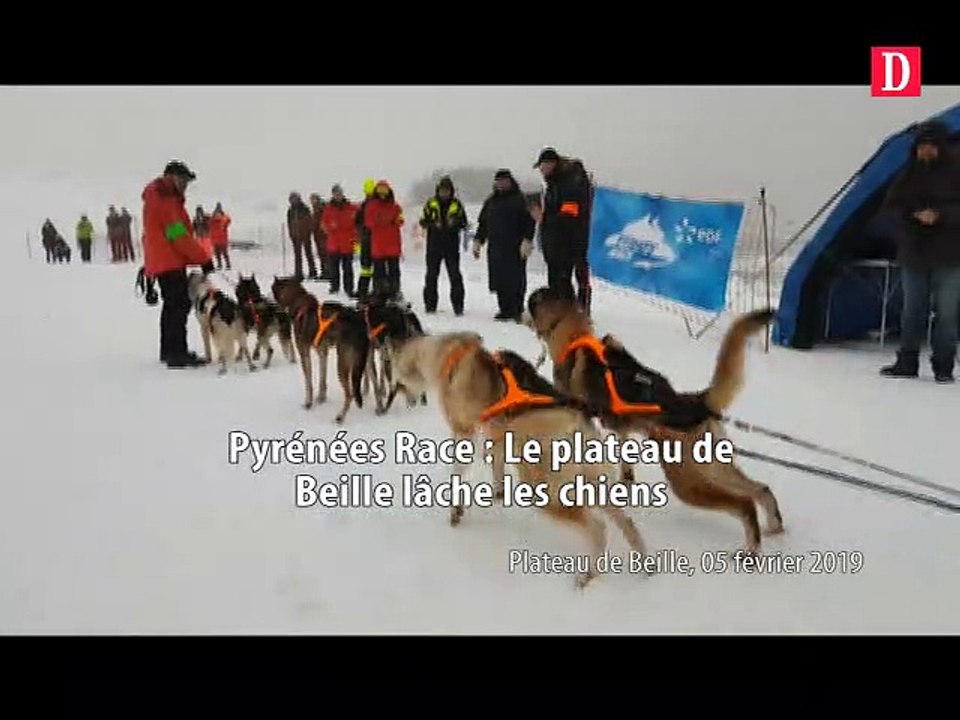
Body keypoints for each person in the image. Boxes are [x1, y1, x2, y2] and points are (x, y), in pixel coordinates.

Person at [879, 120, 960, 384]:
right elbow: (890, 208)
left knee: (947, 313)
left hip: (951, 255)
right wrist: (913, 215)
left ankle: (944, 366)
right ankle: (907, 361)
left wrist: (941, 216)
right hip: (915, 253)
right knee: (912, 310)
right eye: (921, 146)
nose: (925, 151)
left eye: (930, 146)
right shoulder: (908, 175)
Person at [142, 160, 215, 368]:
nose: (185, 185)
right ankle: (177, 353)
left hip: (163, 259)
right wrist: (203, 259)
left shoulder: (159, 196)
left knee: (172, 306)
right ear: (172, 177)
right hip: (169, 261)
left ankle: (169, 350)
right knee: (178, 305)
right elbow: (178, 235)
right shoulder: (166, 201)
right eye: (183, 180)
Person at [532, 147, 594, 315]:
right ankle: (564, 311)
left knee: (569, 276)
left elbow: (569, 214)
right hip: (556, 238)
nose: (542, 171)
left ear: (553, 164)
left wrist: (543, 218)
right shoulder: (554, 183)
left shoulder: (571, 182)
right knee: (557, 278)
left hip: (572, 237)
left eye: (544, 166)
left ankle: (577, 313)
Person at [472, 169, 536, 321]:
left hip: (515, 247)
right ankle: (504, 309)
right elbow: (483, 224)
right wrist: (478, 241)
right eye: (499, 181)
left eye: (504, 181)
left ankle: (516, 308)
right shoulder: (491, 201)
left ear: (510, 181)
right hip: (496, 247)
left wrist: (527, 240)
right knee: (499, 279)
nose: (501, 184)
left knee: (516, 279)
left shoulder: (521, 200)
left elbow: (529, 222)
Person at [419, 175, 467, 315]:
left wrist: (455, 223)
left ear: (451, 191)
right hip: (434, 245)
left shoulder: (457, 205)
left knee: (455, 276)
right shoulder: (431, 203)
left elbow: (464, 223)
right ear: (438, 190)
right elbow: (423, 221)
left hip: (451, 246)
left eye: (447, 190)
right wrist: (433, 224)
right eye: (442, 190)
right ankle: (430, 306)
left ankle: (458, 307)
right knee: (431, 276)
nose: (444, 193)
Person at [364, 179, 404, 300]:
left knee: (394, 272)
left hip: (393, 245)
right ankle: (379, 293)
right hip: (379, 246)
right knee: (379, 272)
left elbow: (401, 220)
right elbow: (368, 223)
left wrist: (389, 221)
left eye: (384, 190)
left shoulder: (395, 206)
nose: (382, 193)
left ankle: (394, 292)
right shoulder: (371, 206)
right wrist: (386, 221)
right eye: (380, 190)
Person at [321, 184, 358, 297]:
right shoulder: (328, 209)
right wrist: (330, 227)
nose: (338, 195)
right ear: (333, 194)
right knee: (334, 268)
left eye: (339, 193)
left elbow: (357, 223)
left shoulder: (352, 208)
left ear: (342, 193)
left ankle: (349, 289)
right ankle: (334, 287)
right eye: (336, 193)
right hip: (334, 244)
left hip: (347, 243)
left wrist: (356, 238)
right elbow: (323, 224)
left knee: (348, 269)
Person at [286, 192, 318, 280]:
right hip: (295, 236)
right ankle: (298, 273)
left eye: (294, 198)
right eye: (291, 199)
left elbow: (309, 221)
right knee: (297, 256)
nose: (293, 200)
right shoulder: (290, 210)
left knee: (308, 253)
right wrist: (291, 234)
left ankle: (313, 271)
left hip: (305, 235)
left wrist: (307, 232)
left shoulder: (304, 209)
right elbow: (289, 223)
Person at [354, 178, 377, 299]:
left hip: (376, 241)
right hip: (367, 241)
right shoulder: (363, 206)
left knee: (377, 268)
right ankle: (363, 291)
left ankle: (374, 291)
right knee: (366, 268)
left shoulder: (375, 206)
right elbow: (357, 222)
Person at [308, 193, 330, 281]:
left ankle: (328, 272)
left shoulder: (323, 209)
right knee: (321, 254)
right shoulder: (314, 210)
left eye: (314, 200)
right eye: (311, 200)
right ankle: (324, 271)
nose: (313, 202)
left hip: (324, 235)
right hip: (317, 235)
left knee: (326, 255)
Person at [208, 202, 232, 270]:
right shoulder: (212, 221)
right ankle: (219, 264)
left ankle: (228, 264)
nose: (217, 215)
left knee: (224, 253)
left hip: (222, 240)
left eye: (218, 213)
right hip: (215, 240)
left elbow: (228, 220)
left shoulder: (223, 221)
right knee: (217, 254)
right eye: (216, 214)